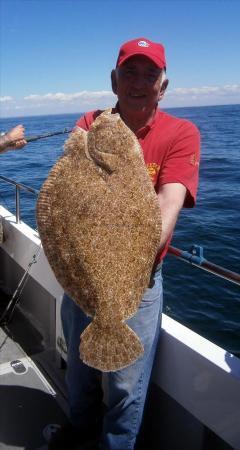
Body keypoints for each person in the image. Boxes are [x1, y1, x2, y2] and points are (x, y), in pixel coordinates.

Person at [48, 37, 200, 450]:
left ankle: (115, 446)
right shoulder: (91, 122)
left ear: (163, 87)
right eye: (129, 73)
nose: (139, 82)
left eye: (150, 74)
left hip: (140, 280)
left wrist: (131, 253)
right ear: (113, 80)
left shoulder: (181, 132)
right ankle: (77, 432)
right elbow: (66, 193)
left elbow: (168, 204)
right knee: (78, 371)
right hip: (83, 273)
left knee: (125, 387)